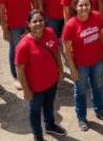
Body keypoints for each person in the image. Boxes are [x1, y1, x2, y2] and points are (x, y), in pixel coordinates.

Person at [62, 0, 103, 131]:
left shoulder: (96, 16)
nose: (84, 8)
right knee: (81, 91)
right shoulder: (71, 25)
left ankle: (100, 111)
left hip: (97, 61)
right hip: (80, 65)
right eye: (81, 5)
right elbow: (66, 49)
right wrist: (72, 69)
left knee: (97, 87)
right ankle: (81, 117)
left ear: (91, 6)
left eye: (87, 5)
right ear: (75, 7)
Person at [15, 10, 66, 141]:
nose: (38, 23)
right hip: (35, 86)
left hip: (51, 81)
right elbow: (19, 68)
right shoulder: (24, 44)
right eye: (34, 21)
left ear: (45, 21)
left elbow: (56, 53)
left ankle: (50, 125)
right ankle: (37, 135)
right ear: (28, 24)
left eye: (41, 20)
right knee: (35, 110)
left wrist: (61, 71)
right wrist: (26, 89)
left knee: (49, 104)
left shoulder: (50, 32)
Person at [0, 0, 37, 89]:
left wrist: (35, 21)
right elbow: (1, 11)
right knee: (15, 51)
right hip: (13, 26)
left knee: (30, 49)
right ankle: (16, 76)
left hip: (28, 25)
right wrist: (5, 30)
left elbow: (34, 1)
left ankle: (28, 73)